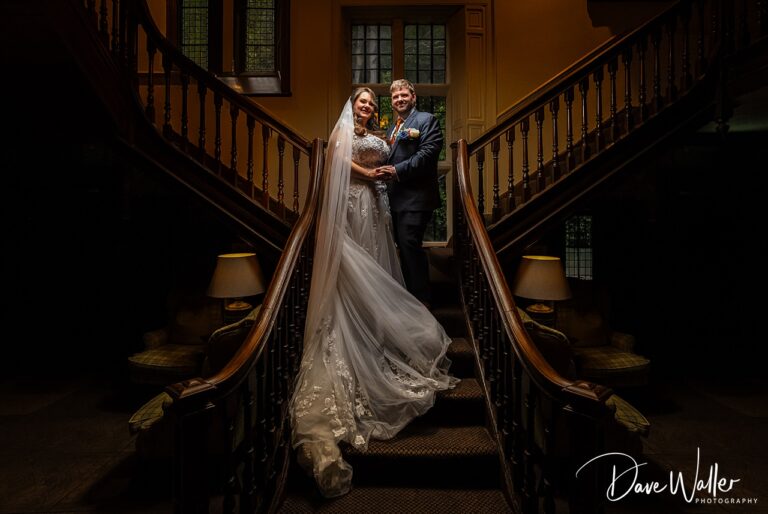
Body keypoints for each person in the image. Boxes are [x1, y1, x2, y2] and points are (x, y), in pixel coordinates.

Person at [288, 87, 458, 498]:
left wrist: (385, 176)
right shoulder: (345, 132)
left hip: (378, 206)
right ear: (352, 106)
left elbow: (408, 160)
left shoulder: (399, 130)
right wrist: (372, 175)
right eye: (361, 101)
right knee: (357, 268)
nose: (367, 106)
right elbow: (335, 164)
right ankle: (356, 325)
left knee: (382, 265)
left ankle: (379, 326)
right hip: (353, 201)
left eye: (371, 102)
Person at [375, 79, 444, 308]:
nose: (400, 99)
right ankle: (408, 299)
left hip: (416, 199)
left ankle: (422, 301)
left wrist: (396, 171)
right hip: (394, 199)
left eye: (404, 95)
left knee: (409, 245)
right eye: (395, 97)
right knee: (402, 248)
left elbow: (427, 154)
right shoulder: (392, 128)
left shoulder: (426, 120)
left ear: (413, 97)